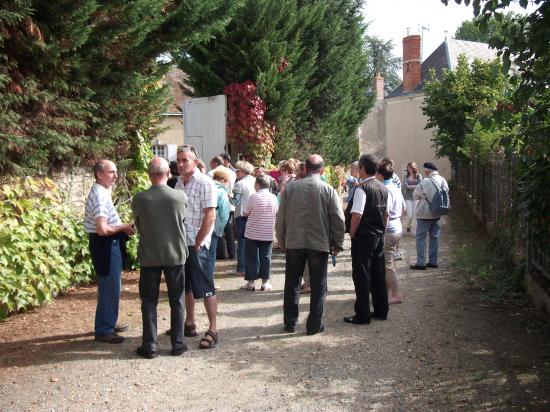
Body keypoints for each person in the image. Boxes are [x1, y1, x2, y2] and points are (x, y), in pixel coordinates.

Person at [276, 154, 345, 335]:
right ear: (322, 170)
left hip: (294, 242)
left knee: (292, 282)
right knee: (318, 284)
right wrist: (337, 243)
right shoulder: (328, 190)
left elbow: (281, 217)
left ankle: (290, 322)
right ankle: (314, 324)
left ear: (305, 168)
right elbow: (338, 219)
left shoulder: (290, 188)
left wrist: (281, 240)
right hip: (319, 243)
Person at [132, 157, 188, 358]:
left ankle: (149, 345)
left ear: (149, 175)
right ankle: (178, 344)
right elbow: (182, 220)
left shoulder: (140, 198)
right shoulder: (179, 196)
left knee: (149, 301)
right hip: (175, 254)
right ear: (168, 173)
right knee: (177, 300)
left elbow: (138, 224)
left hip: (150, 254)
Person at [84, 160, 135, 344]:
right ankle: (104, 330)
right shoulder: (99, 195)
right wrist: (124, 227)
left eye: (115, 172)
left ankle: (109, 322)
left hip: (107, 244)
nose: (116, 176)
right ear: (99, 174)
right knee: (109, 287)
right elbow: (102, 229)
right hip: (105, 245)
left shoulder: (102, 191)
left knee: (113, 286)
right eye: (111, 172)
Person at [174, 146, 219, 349]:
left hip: (198, 244)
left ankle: (213, 329)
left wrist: (200, 240)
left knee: (205, 286)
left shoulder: (205, 182)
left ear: (195, 161)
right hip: (181, 242)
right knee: (186, 285)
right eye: (178, 160)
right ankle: (190, 322)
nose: (181, 164)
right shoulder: (178, 182)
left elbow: (210, 214)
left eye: (185, 160)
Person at [344, 154, 388, 325]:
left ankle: (362, 315)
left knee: (361, 275)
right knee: (378, 273)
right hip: (378, 236)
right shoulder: (383, 187)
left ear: (362, 168)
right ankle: (381, 310)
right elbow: (387, 214)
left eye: (359, 167)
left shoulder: (362, 189)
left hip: (364, 237)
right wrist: (382, 230)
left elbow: (357, 215)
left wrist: (352, 233)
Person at [240, 175, 279, 291]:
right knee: (266, 257)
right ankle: (265, 283)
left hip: (253, 232)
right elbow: (277, 211)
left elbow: (244, 212)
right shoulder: (274, 197)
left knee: (251, 257)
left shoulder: (254, 197)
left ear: (257, 184)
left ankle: (251, 283)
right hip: (268, 232)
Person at [410, 162, 449, 270]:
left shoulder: (426, 181)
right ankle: (433, 262)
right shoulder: (443, 180)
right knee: (434, 238)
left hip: (425, 214)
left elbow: (415, 195)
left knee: (420, 238)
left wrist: (424, 195)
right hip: (438, 212)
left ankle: (421, 263)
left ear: (427, 171)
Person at [377, 162, 406, 305]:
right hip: (397, 228)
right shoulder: (395, 187)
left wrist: (382, 228)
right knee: (389, 262)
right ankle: (385, 293)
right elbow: (404, 208)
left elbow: (386, 213)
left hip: (389, 230)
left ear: (380, 175)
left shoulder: (385, 189)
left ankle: (396, 294)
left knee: (388, 265)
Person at [208, 155, 237, 260]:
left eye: (211, 164)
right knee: (228, 228)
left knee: (217, 230)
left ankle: (220, 252)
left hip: (216, 204)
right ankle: (232, 251)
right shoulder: (232, 172)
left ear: (215, 163)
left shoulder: (211, 173)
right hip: (229, 202)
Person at [232, 160, 256, 276]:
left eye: (237, 170)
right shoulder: (256, 181)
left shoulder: (239, 184)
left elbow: (235, 202)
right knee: (253, 242)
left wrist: (227, 195)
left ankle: (241, 269)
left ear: (242, 171)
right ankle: (253, 267)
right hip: (254, 215)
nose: (236, 173)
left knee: (242, 242)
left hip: (242, 215)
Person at [209, 169, 231, 288]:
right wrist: (220, 229)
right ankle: (209, 282)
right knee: (211, 255)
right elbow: (224, 213)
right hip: (214, 224)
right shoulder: (221, 192)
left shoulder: (206, 186)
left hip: (198, 224)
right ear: (223, 180)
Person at [402, 161, 422, 233]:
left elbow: (420, 185)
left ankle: (415, 231)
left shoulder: (419, 176)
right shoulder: (405, 177)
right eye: (408, 168)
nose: (409, 169)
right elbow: (405, 186)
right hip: (408, 197)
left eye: (410, 168)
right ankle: (408, 226)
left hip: (417, 197)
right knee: (410, 214)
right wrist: (415, 186)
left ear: (414, 168)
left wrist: (410, 186)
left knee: (415, 214)